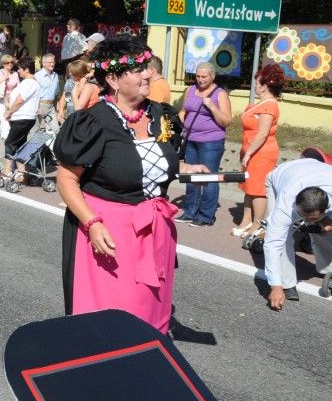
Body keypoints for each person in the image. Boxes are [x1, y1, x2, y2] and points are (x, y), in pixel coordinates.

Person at [54, 35, 208, 334]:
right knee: (112, 317)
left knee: (150, 309)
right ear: (112, 79)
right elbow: (66, 178)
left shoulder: (160, 115)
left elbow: (159, 161)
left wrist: (186, 168)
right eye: (138, 69)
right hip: (109, 233)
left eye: (147, 67)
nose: (148, 74)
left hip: (154, 230)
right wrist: (92, 223)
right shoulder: (94, 121)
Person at [262, 157, 332, 310]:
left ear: (326, 208)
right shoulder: (286, 204)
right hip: (280, 175)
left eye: (313, 217)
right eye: (303, 215)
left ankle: (330, 267)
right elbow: (273, 244)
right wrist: (275, 286)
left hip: (315, 169)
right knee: (283, 237)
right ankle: (287, 283)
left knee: (321, 229)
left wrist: (331, 219)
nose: (306, 220)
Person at [176, 62, 232, 227]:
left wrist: (212, 107)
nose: (200, 80)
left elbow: (226, 121)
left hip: (211, 142)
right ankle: (190, 211)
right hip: (190, 139)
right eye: (198, 76)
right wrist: (180, 125)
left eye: (204, 77)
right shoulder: (190, 90)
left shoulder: (220, 94)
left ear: (212, 76)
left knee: (208, 177)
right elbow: (183, 111)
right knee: (191, 176)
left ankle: (206, 215)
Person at [234, 63, 284, 240]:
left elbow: (262, 133)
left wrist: (248, 153)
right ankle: (246, 221)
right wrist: (245, 152)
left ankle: (258, 224)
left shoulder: (269, 105)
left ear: (264, 86)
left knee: (258, 189)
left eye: (257, 83)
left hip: (261, 153)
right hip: (252, 150)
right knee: (249, 186)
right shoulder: (262, 104)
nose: (255, 87)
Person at [2, 57, 40, 179]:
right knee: (20, 144)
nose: (18, 71)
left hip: (23, 118)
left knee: (10, 142)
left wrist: (9, 112)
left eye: (20, 69)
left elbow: (20, 100)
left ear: (27, 69)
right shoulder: (28, 82)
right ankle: (20, 172)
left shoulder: (30, 83)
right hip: (22, 117)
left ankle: (7, 170)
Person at [57, 59, 91, 125]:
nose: (69, 74)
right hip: (71, 116)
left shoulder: (88, 82)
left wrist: (83, 80)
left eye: (71, 72)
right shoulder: (69, 81)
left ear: (78, 72)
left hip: (83, 117)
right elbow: (65, 96)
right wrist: (61, 109)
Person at [34, 52, 60, 129]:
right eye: (49, 62)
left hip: (51, 107)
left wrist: (58, 107)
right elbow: (34, 94)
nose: (52, 64)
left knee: (56, 130)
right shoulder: (37, 76)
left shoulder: (55, 75)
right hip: (40, 105)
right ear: (43, 63)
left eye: (53, 62)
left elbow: (57, 94)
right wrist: (38, 108)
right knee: (36, 130)